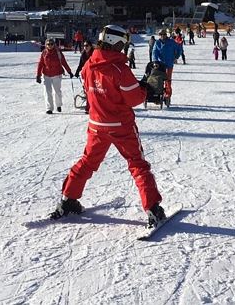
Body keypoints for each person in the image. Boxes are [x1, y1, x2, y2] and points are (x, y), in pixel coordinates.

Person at [53, 24, 166, 227]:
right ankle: (153, 209)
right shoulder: (119, 69)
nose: (123, 48)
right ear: (116, 43)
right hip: (120, 125)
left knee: (88, 161)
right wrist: (146, 88)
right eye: (123, 44)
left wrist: (136, 87)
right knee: (137, 164)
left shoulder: (89, 64)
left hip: (97, 124)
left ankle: (68, 199)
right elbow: (133, 98)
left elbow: (93, 88)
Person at [36, 38, 74, 114]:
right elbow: (40, 64)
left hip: (57, 74)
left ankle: (58, 105)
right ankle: (49, 108)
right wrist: (38, 75)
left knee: (57, 91)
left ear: (54, 45)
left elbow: (64, 62)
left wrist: (69, 71)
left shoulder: (58, 52)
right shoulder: (44, 52)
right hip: (46, 74)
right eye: (48, 44)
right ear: (46, 45)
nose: (50, 46)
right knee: (47, 91)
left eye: (51, 44)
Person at [152, 30, 183, 101]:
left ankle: (167, 95)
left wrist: (176, 57)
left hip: (169, 64)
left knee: (167, 80)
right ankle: (158, 93)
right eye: (161, 35)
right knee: (158, 79)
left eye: (164, 34)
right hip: (160, 64)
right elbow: (154, 52)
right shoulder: (157, 42)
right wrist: (155, 61)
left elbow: (179, 48)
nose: (162, 36)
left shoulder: (171, 42)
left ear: (166, 35)